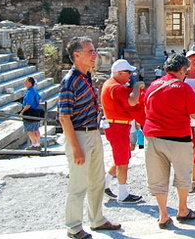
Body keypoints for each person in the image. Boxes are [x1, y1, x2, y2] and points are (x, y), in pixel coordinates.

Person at [58, 37, 121, 239]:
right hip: (79, 135)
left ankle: (97, 219)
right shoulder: (69, 81)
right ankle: (74, 227)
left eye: (94, 51)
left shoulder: (85, 77)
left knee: (97, 182)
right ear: (77, 55)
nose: (95, 55)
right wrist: (76, 147)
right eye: (90, 51)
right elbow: (64, 117)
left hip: (92, 133)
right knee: (78, 185)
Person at [144, 54, 195, 229]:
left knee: (157, 178)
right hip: (178, 137)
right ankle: (182, 209)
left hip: (153, 138)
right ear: (181, 70)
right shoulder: (183, 88)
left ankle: (163, 214)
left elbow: (146, 109)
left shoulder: (152, 86)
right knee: (183, 175)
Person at [101, 59, 145, 203]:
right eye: (128, 72)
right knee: (122, 161)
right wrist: (137, 86)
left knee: (122, 157)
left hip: (117, 126)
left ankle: (105, 184)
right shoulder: (117, 88)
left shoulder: (109, 85)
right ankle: (123, 194)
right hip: (118, 127)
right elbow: (132, 101)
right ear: (119, 73)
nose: (130, 75)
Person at [21, 76, 42, 151]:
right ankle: (38, 144)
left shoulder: (30, 92)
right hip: (36, 111)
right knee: (36, 129)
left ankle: (34, 145)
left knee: (30, 130)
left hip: (30, 112)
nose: (24, 83)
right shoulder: (34, 90)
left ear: (30, 83)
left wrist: (22, 112)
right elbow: (40, 99)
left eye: (25, 82)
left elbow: (28, 104)